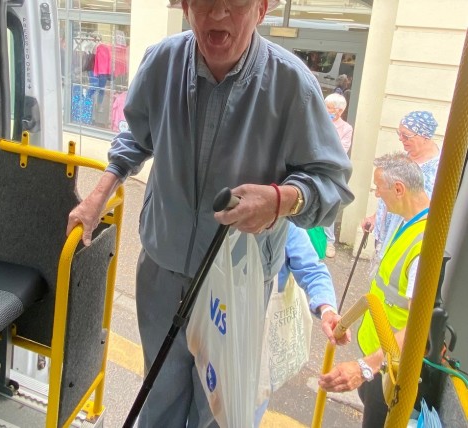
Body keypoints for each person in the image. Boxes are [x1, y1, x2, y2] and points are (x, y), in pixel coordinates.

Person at [66, 0, 354, 426]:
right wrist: (97, 197)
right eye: (204, 2)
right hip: (162, 271)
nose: (217, 15)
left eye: (235, 4)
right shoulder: (161, 61)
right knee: (158, 396)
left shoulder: (292, 84)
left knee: (218, 411)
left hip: (235, 288)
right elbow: (135, 136)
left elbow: (332, 184)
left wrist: (281, 199)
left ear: (261, 8)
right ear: (184, 6)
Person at [318, 152, 430, 428]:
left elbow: (420, 325)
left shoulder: (425, 244)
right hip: (381, 358)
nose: (378, 194)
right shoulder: (411, 222)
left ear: (399, 189)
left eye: (379, 187)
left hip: (391, 370)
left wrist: (365, 367)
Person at [254, 221, 351, 426]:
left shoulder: (283, 224)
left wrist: (327, 309)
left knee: (249, 408)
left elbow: (312, 270)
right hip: (213, 327)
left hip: (258, 340)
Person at [362, 111, 439, 260]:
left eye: (406, 135)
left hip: (408, 234)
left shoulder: (440, 169)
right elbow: (389, 192)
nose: (401, 139)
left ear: (424, 137)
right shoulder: (406, 157)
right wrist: (375, 217)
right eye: (399, 133)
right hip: (386, 232)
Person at [324, 93, 354, 258]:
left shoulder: (346, 128)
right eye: (326, 106)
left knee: (330, 204)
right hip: (318, 168)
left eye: (329, 107)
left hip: (333, 173)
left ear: (339, 111)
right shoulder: (318, 121)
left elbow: (341, 151)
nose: (326, 110)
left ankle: (329, 242)